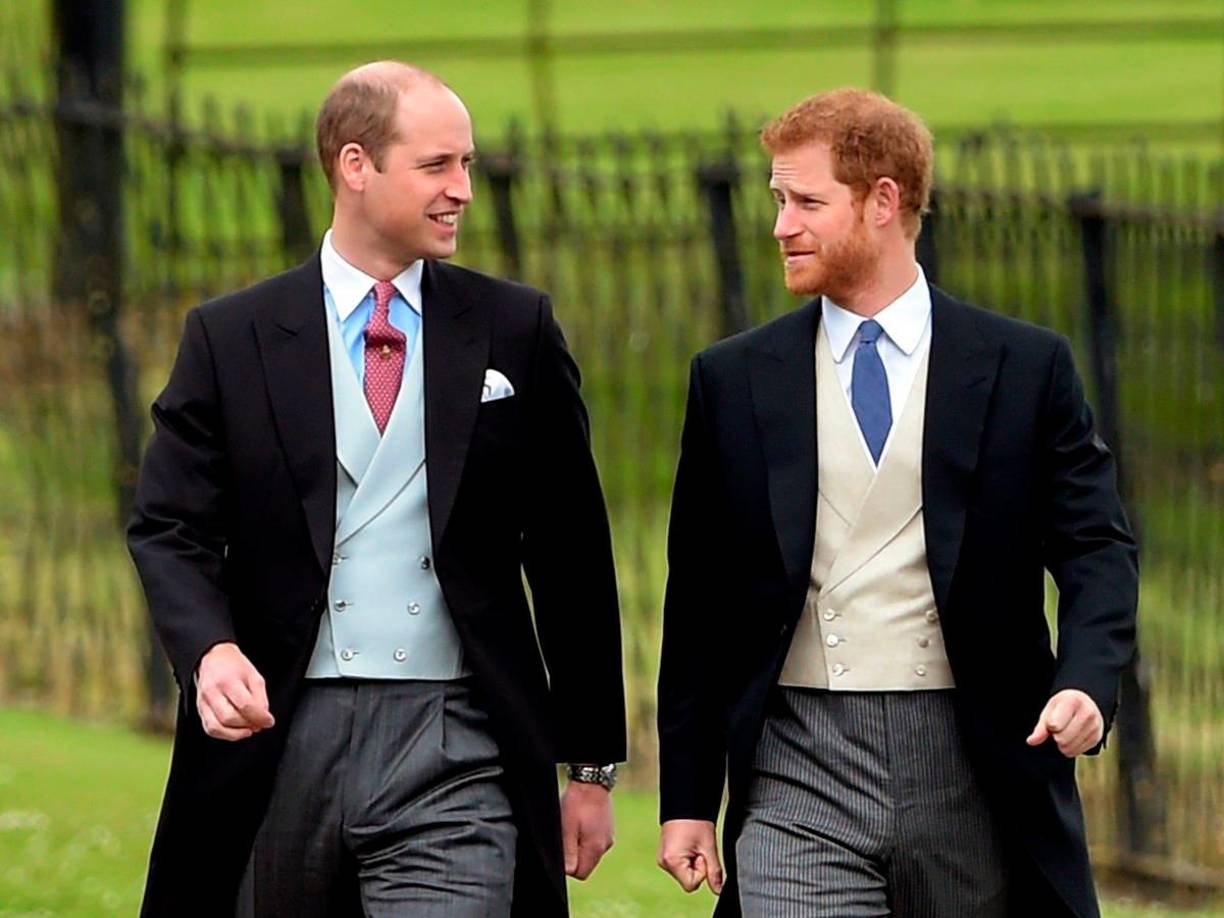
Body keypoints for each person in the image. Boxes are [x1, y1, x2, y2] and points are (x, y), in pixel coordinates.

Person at [128, 61, 625, 918]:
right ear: (355, 166)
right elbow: (168, 525)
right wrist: (208, 650)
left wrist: (588, 767)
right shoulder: (231, 335)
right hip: (277, 738)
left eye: (467, 164)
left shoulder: (517, 328)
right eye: (439, 166)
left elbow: (571, 551)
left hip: (457, 741)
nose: (463, 190)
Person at [655, 87, 1137, 917]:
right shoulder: (732, 379)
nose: (781, 226)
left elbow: (1096, 545)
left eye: (806, 202)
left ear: (884, 201)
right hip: (796, 762)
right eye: (777, 201)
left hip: (975, 758)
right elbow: (699, 599)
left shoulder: (1024, 367)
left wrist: (1088, 682)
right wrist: (689, 795)